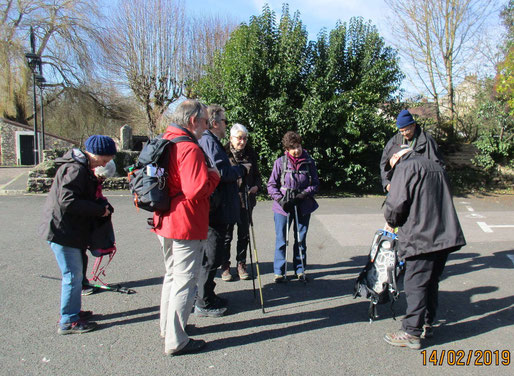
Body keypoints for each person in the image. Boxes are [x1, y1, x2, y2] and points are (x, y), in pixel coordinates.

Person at [150, 99, 220, 356]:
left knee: (171, 277)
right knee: (184, 281)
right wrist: (214, 176)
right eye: (204, 121)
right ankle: (177, 340)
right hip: (185, 223)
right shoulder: (189, 148)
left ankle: (168, 329)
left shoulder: (167, 138)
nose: (206, 126)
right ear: (193, 121)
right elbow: (195, 189)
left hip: (165, 219)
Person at [382, 144, 466, 350]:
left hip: (421, 236)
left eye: (391, 165)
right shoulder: (437, 166)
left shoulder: (405, 167)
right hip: (444, 234)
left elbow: (395, 204)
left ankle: (411, 331)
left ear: (396, 157)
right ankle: (427, 322)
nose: (392, 169)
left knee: (415, 283)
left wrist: (391, 222)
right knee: (431, 282)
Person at [39, 135, 117, 335]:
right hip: (63, 231)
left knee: (76, 274)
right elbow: (68, 201)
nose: (105, 164)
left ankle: (73, 312)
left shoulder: (81, 167)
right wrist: (99, 211)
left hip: (70, 230)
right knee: (72, 276)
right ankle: (68, 321)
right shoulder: (75, 169)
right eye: (105, 159)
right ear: (95, 154)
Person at [196, 105, 250, 316]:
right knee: (211, 256)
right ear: (215, 123)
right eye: (225, 121)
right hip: (216, 208)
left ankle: (208, 295)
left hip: (219, 207)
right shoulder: (208, 140)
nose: (226, 124)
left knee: (214, 254)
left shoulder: (210, 140)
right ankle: (204, 301)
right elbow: (221, 171)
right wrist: (240, 170)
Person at [267, 131, 319, 283]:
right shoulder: (280, 162)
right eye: (293, 147)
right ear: (287, 149)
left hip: (303, 205)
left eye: (298, 146)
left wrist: (303, 195)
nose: (297, 150)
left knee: (300, 238)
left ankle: (300, 269)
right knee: (282, 239)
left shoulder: (309, 162)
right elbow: (271, 185)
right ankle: (279, 272)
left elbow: (315, 184)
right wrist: (281, 200)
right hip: (283, 207)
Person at [221, 123, 262, 281]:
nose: (242, 141)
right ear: (231, 138)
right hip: (229, 200)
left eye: (245, 138)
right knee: (227, 235)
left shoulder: (251, 154)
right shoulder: (223, 153)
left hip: (246, 199)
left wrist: (256, 186)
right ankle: (225, 266)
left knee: (244, 234)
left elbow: (257, 175)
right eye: (239, 138)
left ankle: (241, 264)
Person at [380, 109, 445, 192]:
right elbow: (384, 164)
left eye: (406, 130)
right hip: (400, 187)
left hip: (422, 188)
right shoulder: (395, 141)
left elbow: (438, 166)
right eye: (401, 131)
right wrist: (387, 183)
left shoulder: (427, 141)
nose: (404, 134)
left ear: (413, 125)